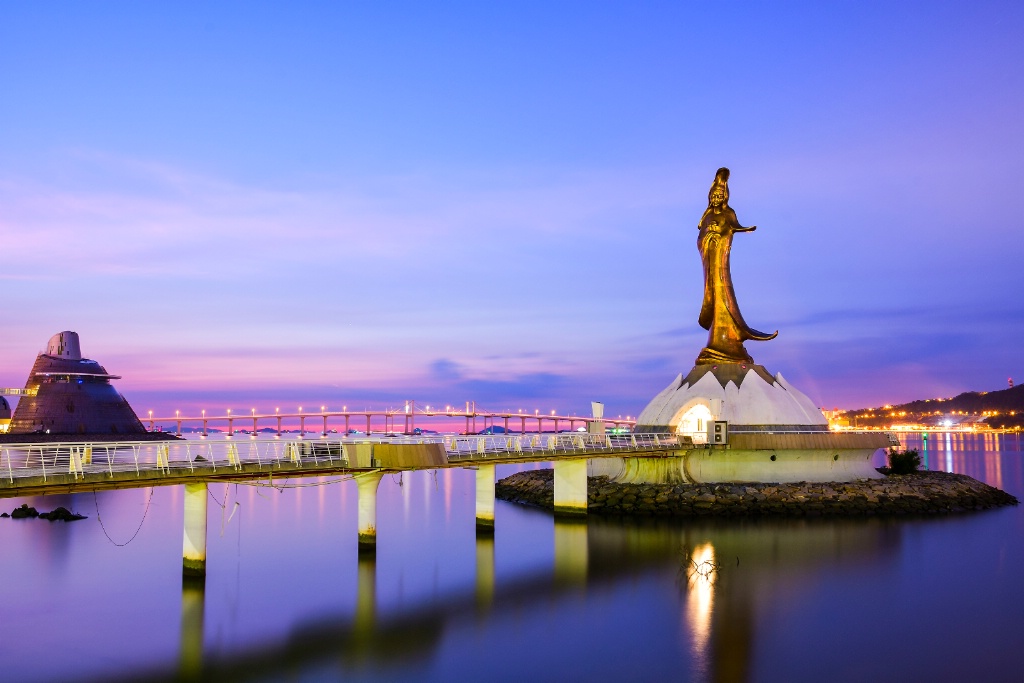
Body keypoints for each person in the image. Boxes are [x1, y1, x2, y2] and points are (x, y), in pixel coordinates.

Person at [695, 168, 777, 365]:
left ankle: (729, 339)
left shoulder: (728, 213)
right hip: (711, 263)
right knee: (715, 296)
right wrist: (710, 237)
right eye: (714, 195)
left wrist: (739, 230)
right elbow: (701, 237)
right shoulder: (706, 217)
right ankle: (718, 341)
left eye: (720, 195)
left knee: (725, 296)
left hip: (720, 264)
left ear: (725, 197)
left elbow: (734, 226)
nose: (716, 197)